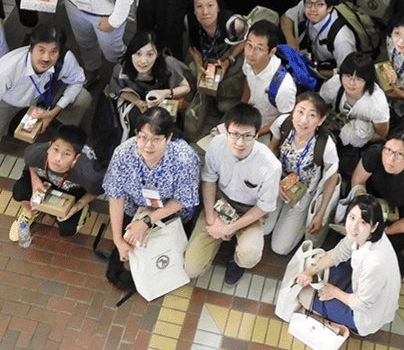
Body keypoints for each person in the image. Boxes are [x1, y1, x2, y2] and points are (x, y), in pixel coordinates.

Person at [184, 103, 281, 285]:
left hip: (249, 211)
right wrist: (212, 218)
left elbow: (263, 207)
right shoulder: (216, 144)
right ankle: (218, 236)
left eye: (247, 136)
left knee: (250, 256)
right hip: (220, 201)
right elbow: (209, 179)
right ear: (226, 131)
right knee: (191, 269)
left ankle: (236, 260)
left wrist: (229, 228)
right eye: (234, 134)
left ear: (257, 134)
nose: (240, 142)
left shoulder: (271, 166)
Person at [294, 194, 401, 337]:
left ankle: (337, 326)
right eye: (352, 218)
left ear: (374, 226)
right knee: (319, 261)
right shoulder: (369, 235)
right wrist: (310, 271)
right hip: (362, 285)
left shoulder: (374, 263)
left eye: (363, 222)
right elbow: (339, 252)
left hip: (363, 315)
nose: (354, 226)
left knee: (304, 295)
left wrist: (333, 291)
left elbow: (361, 304)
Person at [104, 107, 200, 266]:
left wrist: (147, 222)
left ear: (168, 137)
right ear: (136, 133)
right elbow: (116, 196)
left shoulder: (185, 159)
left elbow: (183, 199)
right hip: (136, 207)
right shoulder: (123, 153)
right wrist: (117, 239)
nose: (148, 146)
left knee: (165, 264)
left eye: (156, 139)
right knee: (122, 266)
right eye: (143, 137)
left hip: (172, 213)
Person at [266, 91, 340, 255]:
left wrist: (320, 213)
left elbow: (331, 179)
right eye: (300, 111)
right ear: (293, 111)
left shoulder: (325, 145)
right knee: (264, 229)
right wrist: (275, 181)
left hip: (304, 193)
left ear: (321, 120)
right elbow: (272, 148)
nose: (303, 120)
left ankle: (297, 219)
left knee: (279, 248)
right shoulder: (283, 124)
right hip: (279, 182)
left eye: (312, 115)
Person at [349, 130, 404, 275]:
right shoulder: (375, 153)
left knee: (383, 246)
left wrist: (387, 230)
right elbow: (358, 180)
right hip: (376, 192)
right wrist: (363, 209)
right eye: (388, 150)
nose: (390, 159)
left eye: (399, 154)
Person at [9, 125, 104, 242]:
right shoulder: (35, 152)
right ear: (49, 147)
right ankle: (31, 211)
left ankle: (82, 209)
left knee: (68, 229)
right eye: (56, 149)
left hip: (71, 191)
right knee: (19, 192)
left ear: (76, 158)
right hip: (43, 182)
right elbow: (30, 164)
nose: (58, 158)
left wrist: (78, 205)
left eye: (67, 154)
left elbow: (97, 190)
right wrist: (35, 181)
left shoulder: (87, 173)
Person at [0, 23, 91, 137]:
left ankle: (62, 129)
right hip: (8, 101)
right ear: (31, 48)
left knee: (83, 98)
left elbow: (77, 81)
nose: (46, 58)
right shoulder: (6, 69)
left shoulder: (65, 58)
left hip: (43, 95)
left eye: (54, 51)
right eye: (41, 50)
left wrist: (55, 111)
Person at [183, 0, 245, 141]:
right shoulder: (190, 20)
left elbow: (247, 41)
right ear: (194, 10)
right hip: (209, 61)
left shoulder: (234, 23)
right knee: (191, 78)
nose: (205, 12)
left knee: (223, 103)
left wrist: (227, 62)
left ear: (218, 7)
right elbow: (193, 48)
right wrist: (198, 68)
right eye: (199, 7)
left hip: (231, 58)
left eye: (210, 5)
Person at [107, 30, 189, 134]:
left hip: (164, 104)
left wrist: (167, 93)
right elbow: (118, 90)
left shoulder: (168, 64)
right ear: (130, 53)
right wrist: (137, 101)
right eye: (138, 54)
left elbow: (186, 87)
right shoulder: (121, 69)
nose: (143, 61)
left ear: (158, 54)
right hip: (137, 105)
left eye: (150, 54)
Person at [320, 52, 389, 174]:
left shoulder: (377, 103)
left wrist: (356, 137)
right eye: (348, 76)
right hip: (335, 125)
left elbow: (381, 133)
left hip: (360, 136)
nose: (351, 83)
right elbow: (320, 106)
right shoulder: (334, 84)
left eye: (358, 79)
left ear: (367, 80)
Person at [281, 0, 357, 77]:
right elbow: (286, 17)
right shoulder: (306, 6)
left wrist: (310, 72)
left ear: (329, 7)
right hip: (313, 56)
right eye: (309, 2)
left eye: (319, 4)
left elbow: (347, 73)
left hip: (330, 67)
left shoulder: (342, 39)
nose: (312, 9)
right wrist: (290, 40)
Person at [240, 20, 296, 139]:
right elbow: (247, 81)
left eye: (259, 49)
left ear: (272, 52)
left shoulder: (284, 86)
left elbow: (287, 119)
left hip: (267, 130)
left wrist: (255, 134)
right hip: (249, 117)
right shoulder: (249, 60)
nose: (250, 53)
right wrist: (241, 108)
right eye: (249, 45)